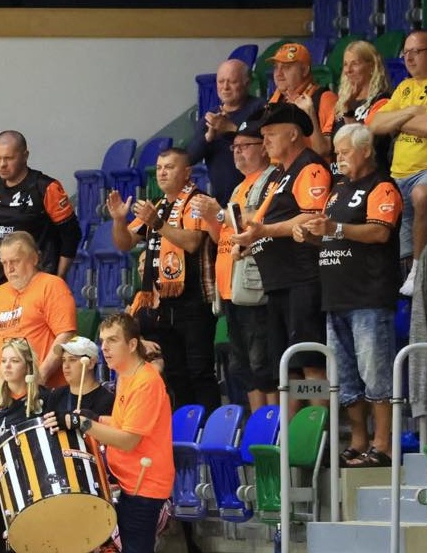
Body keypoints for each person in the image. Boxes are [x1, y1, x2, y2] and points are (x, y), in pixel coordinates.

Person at [293, 124, 403, 467]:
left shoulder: (383, 187)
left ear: (366, 151)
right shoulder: (338, 190)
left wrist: (334, 228)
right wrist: (310, 235)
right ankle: (359, 441)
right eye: (337, 153)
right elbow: (332, 236)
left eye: (345, 152)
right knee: (347, 379)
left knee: (376, 374)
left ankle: (383, 445)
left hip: (368, 296)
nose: (338, 159)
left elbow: (379, 233)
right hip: (335, 297)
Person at [44, 313, 174, 553]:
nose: (104, 347)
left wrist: (81, 422)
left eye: (112, 340)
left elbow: (128, 440)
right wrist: (97, 419)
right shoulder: (126, 375)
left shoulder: (146, 382)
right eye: (103, 341)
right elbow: (122, 423)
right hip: (128, 481)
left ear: (132, 344)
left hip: (144, 485)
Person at [231, 103, 332, 405]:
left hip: (303, 280)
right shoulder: (279, 174)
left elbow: (311, 218)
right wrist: (249, 241)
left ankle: (318, 426)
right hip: (277, 283)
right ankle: (293, 431)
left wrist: (263, 231)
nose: (265, 142)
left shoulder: (310, 167)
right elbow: (263, 220)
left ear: (293, 134)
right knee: (289, 369)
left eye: (271, 134)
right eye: (263, 136)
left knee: (310, 362)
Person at [107, 147, 220, 413]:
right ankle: (185, 426)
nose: (162, 173)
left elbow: (192, 242)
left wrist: (158, 224)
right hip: (164, 304)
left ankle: (209, 427)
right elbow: (125, 243)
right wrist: (119, 220)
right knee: (176, 373)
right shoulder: (158, 206)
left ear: (187, 172)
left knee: (200, 371)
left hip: (195, 301)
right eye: (159, 168)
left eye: (169, 167)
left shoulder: (198, 201)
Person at [190, 118, 275, 411]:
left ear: (264, 148)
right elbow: (223, 236)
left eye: (245, 146)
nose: (237, 152)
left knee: (263, 364)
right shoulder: (239, 187)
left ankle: (274, 425)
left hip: (254, 286)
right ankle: (258, 424)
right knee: (243, 366)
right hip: (231, 288)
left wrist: (219, 213)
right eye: (234, 147)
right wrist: (211, 218)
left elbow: (255, 227)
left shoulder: (270, 181)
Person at [0, 231, 77, 414]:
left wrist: (40, 377)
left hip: (41, 396)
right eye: (4, 263)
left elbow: (66, 336)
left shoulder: (52, 286)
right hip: (2, 397)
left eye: (15, 261)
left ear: (34, 259)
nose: (9, 269)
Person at [369, 29, 427, 296]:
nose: (409, 58)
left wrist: (397, 121)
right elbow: (375, 124)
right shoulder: (405, 87)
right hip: (398, 173)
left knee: (422, 195)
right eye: (406, 53)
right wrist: (411, 112)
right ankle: (400, 278)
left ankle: (420, 269)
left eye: (416, 52)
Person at [0, 130, 82, 292]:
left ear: (25, 156)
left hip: (36, 284)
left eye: (9, 158)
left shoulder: (45, 188)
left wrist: (58, 277)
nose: (2, 164)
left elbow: (72, 234)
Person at [187, 59, 266, 205]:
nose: (225, 87)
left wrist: (230, 128)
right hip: (222, 201)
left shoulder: (260, 107)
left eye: (232, 82)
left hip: (256, 197)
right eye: (221, 81)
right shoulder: (211, 117)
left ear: (247, 83)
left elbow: (266, 145)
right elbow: (190, 158)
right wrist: (208, 137)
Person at [0, 338, 48, 474]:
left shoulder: (46, 397)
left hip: (37, 472)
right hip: (1, 472)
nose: (7, 366)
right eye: (4, 361)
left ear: (28, 366)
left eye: (15, 361)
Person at [331, 41, 392, 174]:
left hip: (370, 176)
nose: (348, 70)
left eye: (355, 63)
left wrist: (348, 111)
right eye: (345, 64)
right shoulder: (341, 102)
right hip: (339, 175)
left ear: (371, 67)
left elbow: (363, 144)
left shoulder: (382, 101)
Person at [268, 42, 339, 158]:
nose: (278, 74)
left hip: (311, 167)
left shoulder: (325, 99)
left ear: (304, 70)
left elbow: (323, 150)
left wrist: (309, 114)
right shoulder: (275, 100)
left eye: (286, 67)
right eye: (276, 67)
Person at [45, 336, 115, 422]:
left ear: (91, 363)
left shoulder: (107, 400)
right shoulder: (56, 395)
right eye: (63, 360)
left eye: (72, 360)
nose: (66, 366)